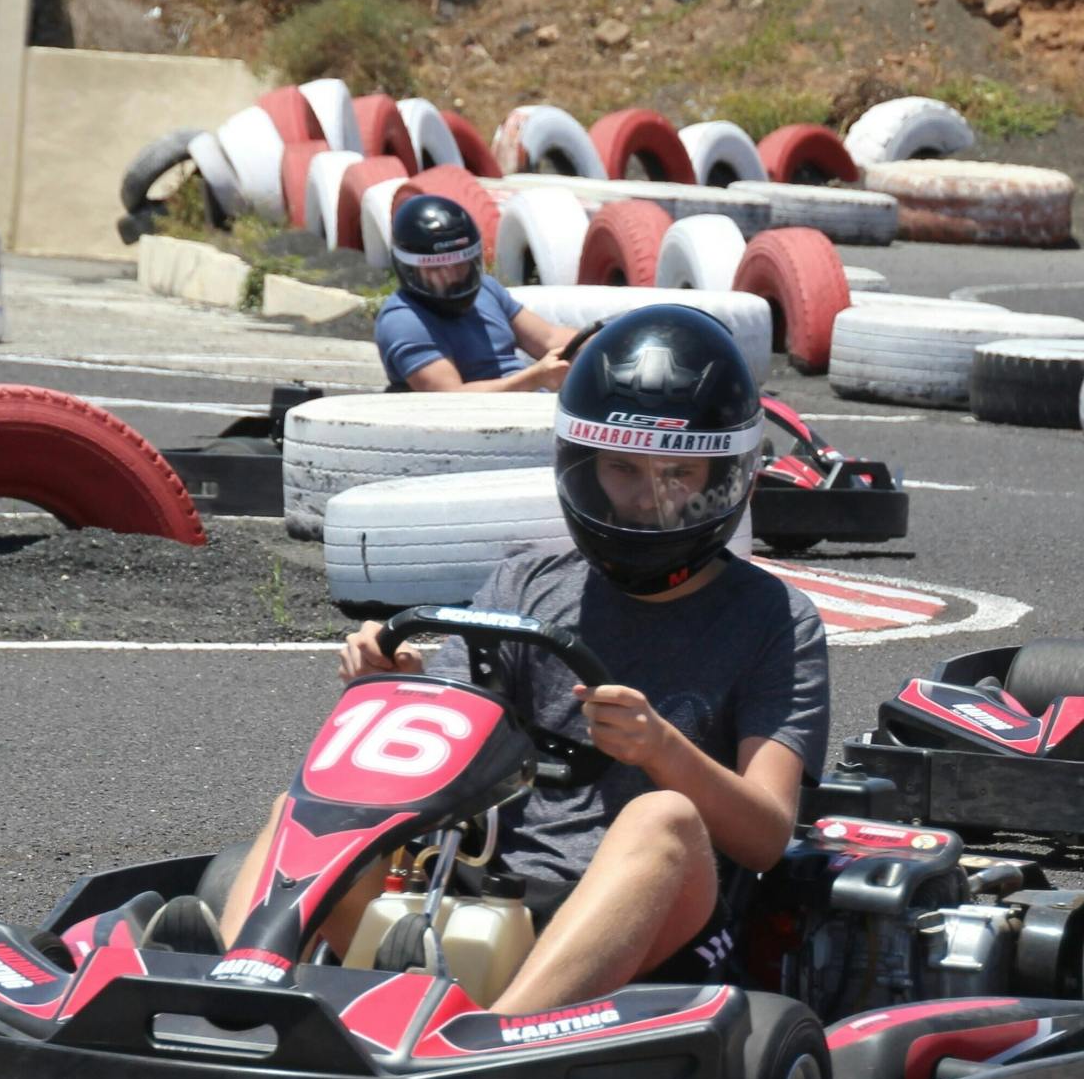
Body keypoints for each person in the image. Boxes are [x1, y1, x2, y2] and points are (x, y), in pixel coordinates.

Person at [215, 306, 830, 1015]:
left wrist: (664, 749)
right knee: (316, 807)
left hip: (646, 919)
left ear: (730, 476)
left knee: (664, 815)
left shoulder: (774, 621)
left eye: (680, 473)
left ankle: (496, 1036)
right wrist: (399, 688)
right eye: (624, 470)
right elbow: (437, 757)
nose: (649, 499)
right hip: (475, 889)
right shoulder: (528, 583)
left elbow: (764, 836)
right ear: (583, 465)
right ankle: (236, 992)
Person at [375, 193, 582, 393]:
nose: (453, 277)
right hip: (476, 423)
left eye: (460, 265)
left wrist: (602, 340)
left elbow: (549, 338)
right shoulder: (404, 321)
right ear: (409, 269)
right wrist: (533, 379)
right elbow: (449, 398)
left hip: (532, 406)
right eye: (436, 269)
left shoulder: (486, 290)